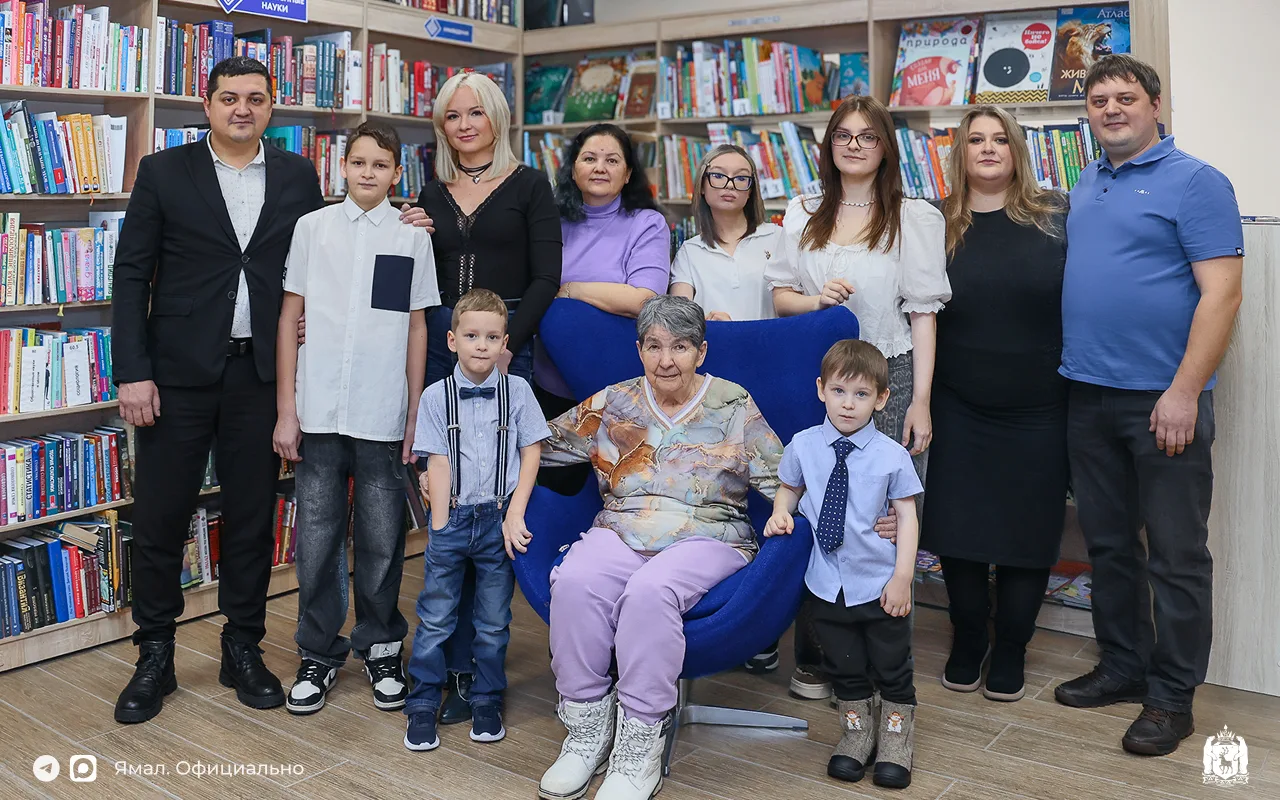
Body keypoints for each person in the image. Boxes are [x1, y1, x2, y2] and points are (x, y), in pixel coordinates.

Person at [108, 56, 429, 724]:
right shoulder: (163, 171)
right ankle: (155, 654)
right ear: (206, 104)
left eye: (255, 98)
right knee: (161, 516)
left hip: (258, 375)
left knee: (252, 518)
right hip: (175, 375)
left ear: (272, 106)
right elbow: (132, 274)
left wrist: (406, 224)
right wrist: (132, 370)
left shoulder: (296, 174)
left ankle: (243, 648)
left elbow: (333, 252)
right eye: (229, 98)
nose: (242, 109)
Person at [1052, 55, 1243, 757]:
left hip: (1163, 401)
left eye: (1125, 97)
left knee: (1176, 555)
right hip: (1087, 394)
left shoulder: (1197, 181)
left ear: (1155, 104)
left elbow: (1223, 294)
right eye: (1098, 99)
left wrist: (1185, 391)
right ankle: (1123, 667)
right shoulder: (1086, 182)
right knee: (1108, 545)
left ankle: (1171, 698)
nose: (1111, 109)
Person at [536, 296, 782, 800]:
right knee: (575, 580)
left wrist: (863, 511)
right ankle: (586, 730)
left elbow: (785, 478)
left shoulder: (733, 403)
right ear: (640, 350)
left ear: (701, 352)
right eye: (654, 346)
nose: (666, 360)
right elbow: (538, 446)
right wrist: (456, 467)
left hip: (709, 532)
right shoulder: (615, 402)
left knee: (650, 591)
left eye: (681, 347)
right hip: (623, 525)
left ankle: (639, 742)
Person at [766, 94, 949, 702]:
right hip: (820, 379)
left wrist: (920, 401)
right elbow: (781, 300)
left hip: (889, 377)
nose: (853, 145)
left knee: (885, 520)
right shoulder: (803, 210)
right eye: (843, 135)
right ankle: (819, 656)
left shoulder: (912, 216)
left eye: (867, 136)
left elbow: (923, 315)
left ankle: (884, 662)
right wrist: (818, 301)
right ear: (829, 146)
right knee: (817, 509)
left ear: (885, 147)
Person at [272, 122, 440, 715]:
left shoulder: (411, 238)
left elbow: (416, 327)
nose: (369, 173)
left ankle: (381, 646)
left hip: (381, 411)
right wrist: (286, 409)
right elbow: (289, 316)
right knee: (316, 538)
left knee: (381, 539)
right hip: (317, 409)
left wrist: (415, 412)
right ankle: (317, 652)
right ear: (341, 167)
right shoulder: (312, 229)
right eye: (359, 162)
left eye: (381, 165)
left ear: (397, 174)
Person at [416, 70, 562, 725]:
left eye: (475, 113)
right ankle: (449, 668)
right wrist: (408, 230)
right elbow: (416, 275)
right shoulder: (430, 190)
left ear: (496, 118)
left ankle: (483, 674)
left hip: (507, 343)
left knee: (493, 499)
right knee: (448, 506)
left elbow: (547, 277)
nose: (464, 125)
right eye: (452, 116)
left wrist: (507, 346)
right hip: (442, 344)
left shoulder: (529, 184)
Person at [920, 106, 1069, 703]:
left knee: (1027, 532)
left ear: (1017, 150)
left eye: (999, 139)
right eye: (975, 139)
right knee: (957, 529)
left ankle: (1011, 646)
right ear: (960, 152)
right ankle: (967, 639)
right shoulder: (934, 223)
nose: (987, 148)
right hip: (958, 405)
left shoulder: (1056, 217)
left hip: (1040, 408)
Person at [765, 339, 922, 789]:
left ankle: (895, 741)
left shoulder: (891, 455)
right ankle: (856, 734)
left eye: (861, 394)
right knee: (844, 665)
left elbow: (907, 517)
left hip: (878, 583)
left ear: (882, 398)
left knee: (892, 666)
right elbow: (789, 487)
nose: (848, 404)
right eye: (839, 391)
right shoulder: (804, 445)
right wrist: (781, 511)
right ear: (821, 389)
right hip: (826, 583)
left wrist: (903, 577)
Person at [403, 289, 551, 751]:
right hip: (452, 519)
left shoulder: (518, 391)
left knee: (492, 620)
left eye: (491, 337)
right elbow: (437, 460)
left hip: (497, 519)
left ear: (505, 343)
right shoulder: (435, 396)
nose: (481, 345)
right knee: (435, 617)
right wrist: (439, 525)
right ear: (452, 341)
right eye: (471, 336)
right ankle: (423, 701)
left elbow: (531, 452)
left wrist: (516, 510)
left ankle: (486, 697)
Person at [535, 123, 670, 496]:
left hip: (620, 387)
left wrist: (570, 290)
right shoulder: (550, 223)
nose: (599, 167)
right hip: (552, 384)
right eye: (590, 158)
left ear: (627, 174)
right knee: (557, 495)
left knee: (621, 494)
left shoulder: (647, 223)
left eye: (612, 160)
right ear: (573, 169)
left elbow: (644, 298)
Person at [670, 143, 783, 322]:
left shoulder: (778, 238)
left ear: (750, 190)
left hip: (767, 339)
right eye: (718, 175)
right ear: (702, 186)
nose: (730, 185)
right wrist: (712, 324)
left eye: (741, 178)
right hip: (712, 338)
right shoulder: (689, 251)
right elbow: (679, 321)